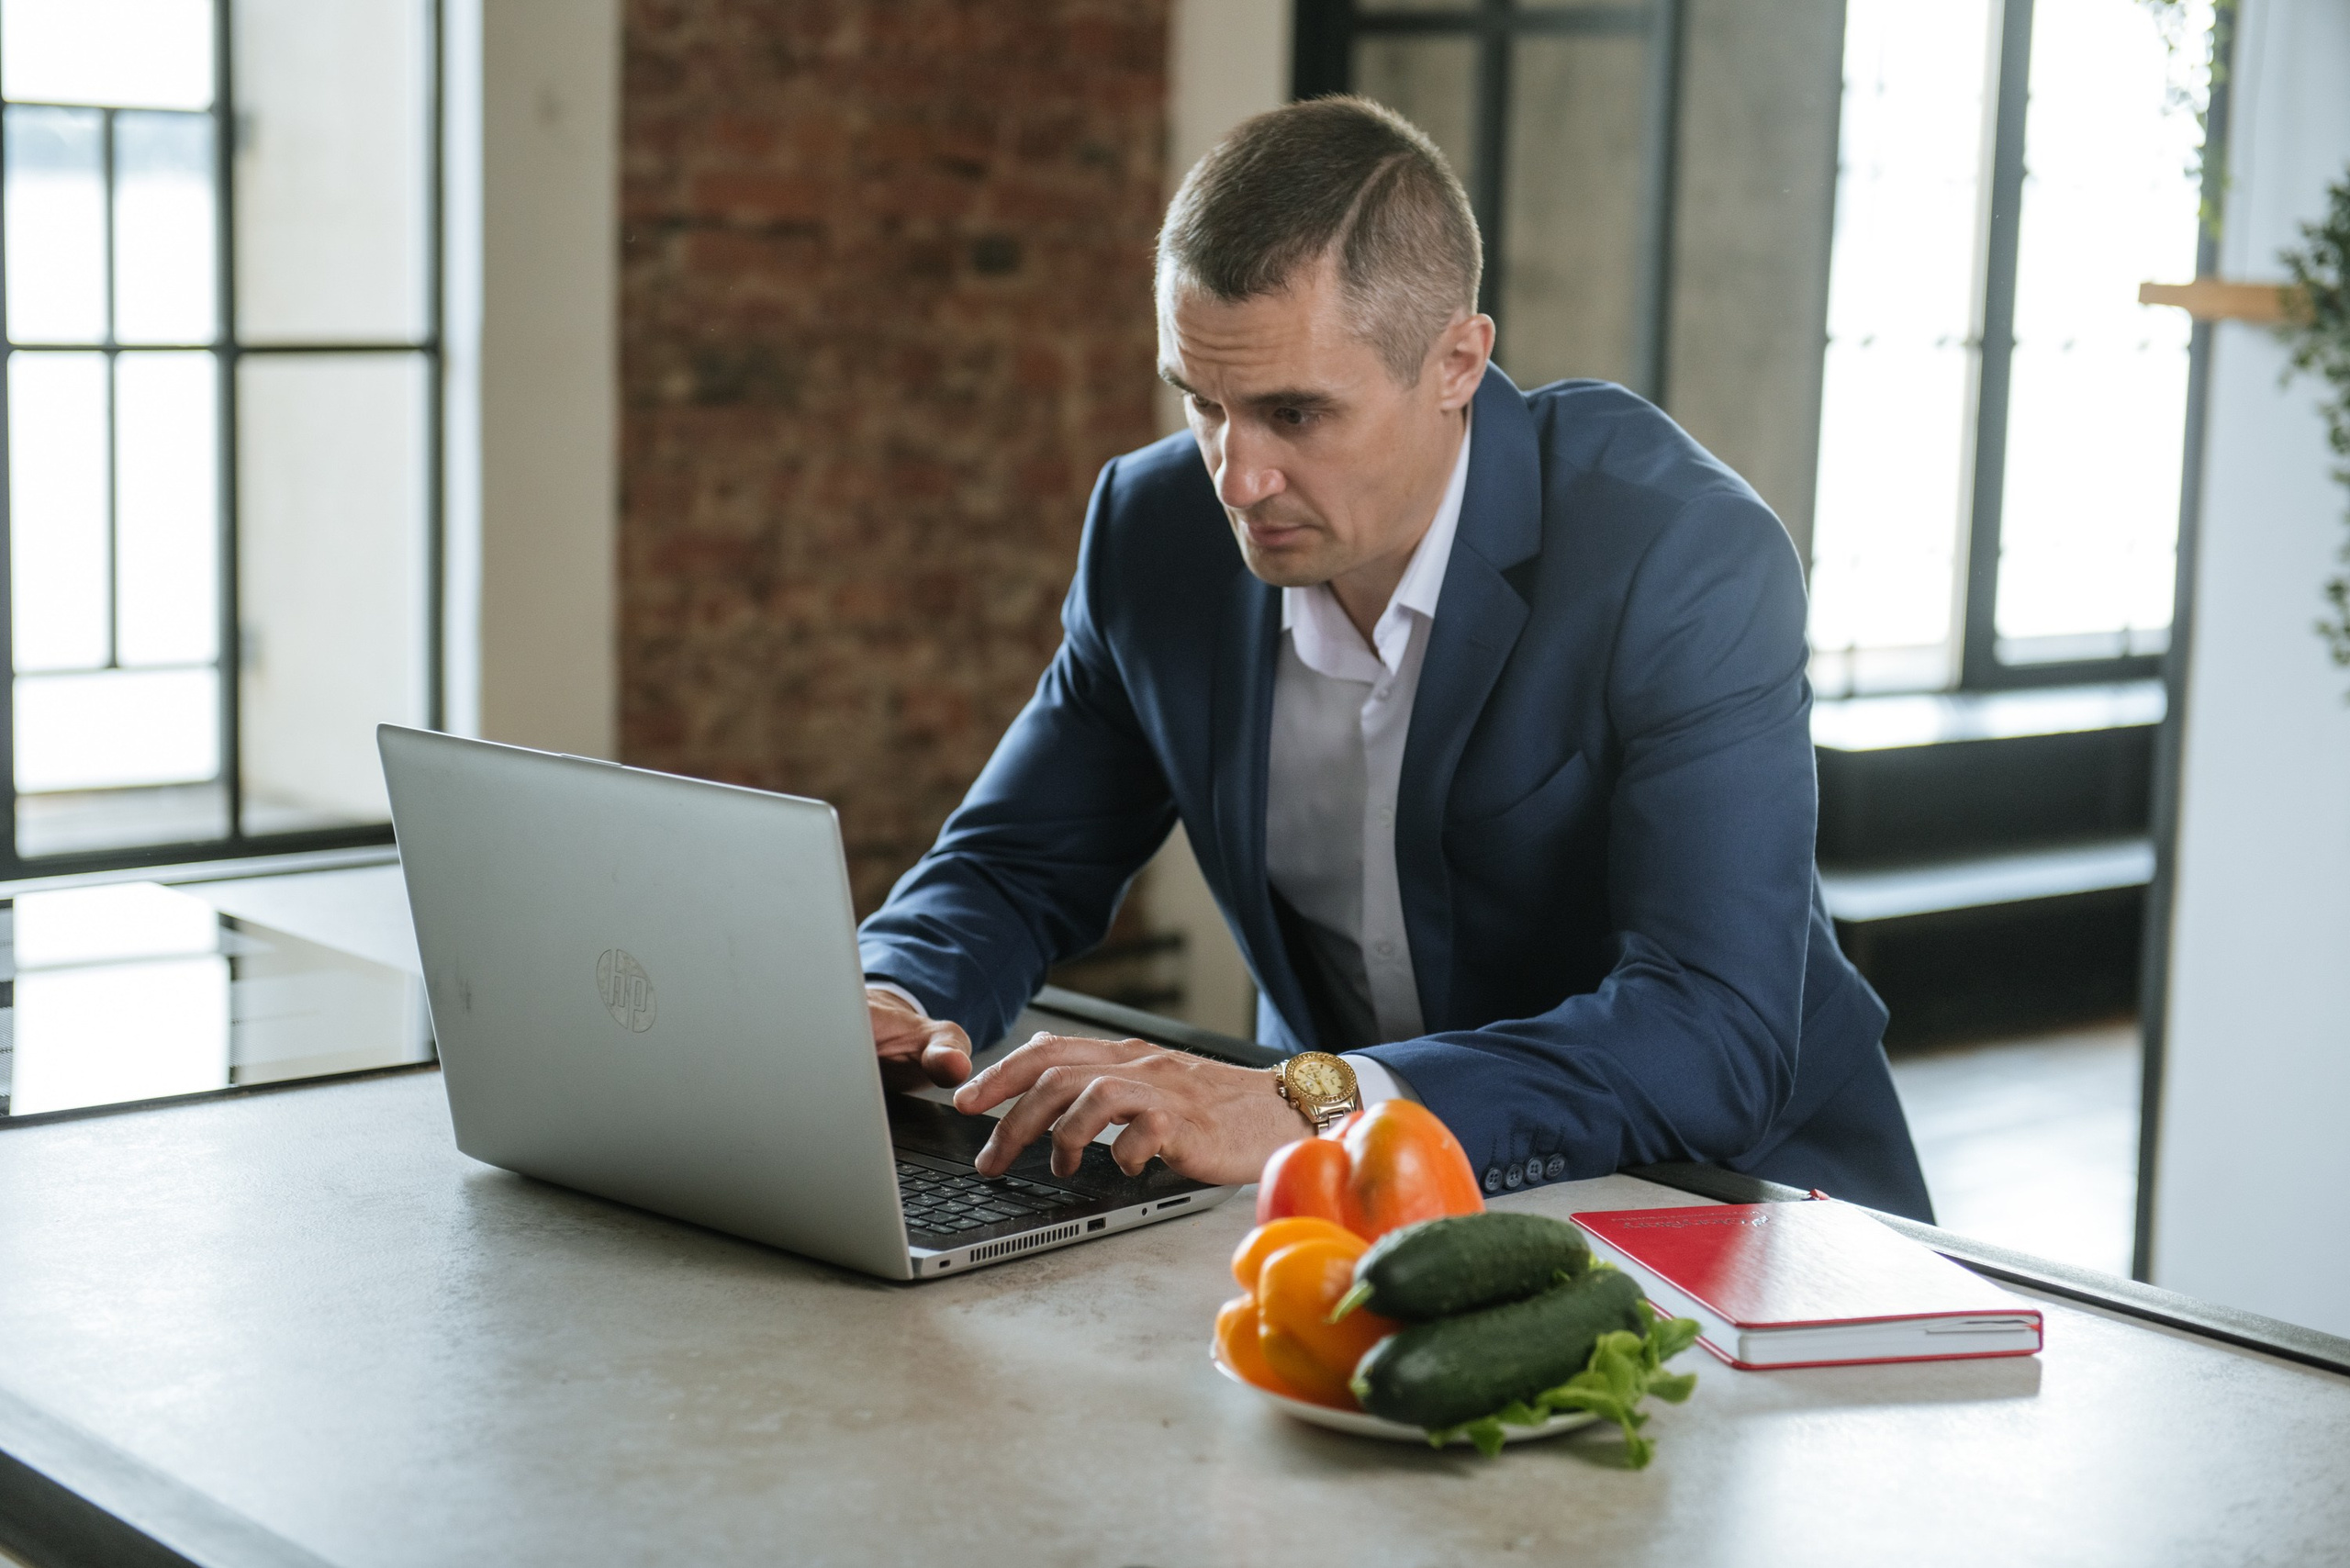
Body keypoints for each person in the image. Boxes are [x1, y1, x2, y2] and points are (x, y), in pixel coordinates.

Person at [856, 96, 1933, 1222]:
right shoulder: (1152, 529)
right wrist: (895, 993)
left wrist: (1311, 1101)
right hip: (1340, 1200)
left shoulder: (1678, 553)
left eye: (1293, 414)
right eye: (1204, 404)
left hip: (1735, 1201)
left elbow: (1710, 1031)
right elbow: (1016, 863)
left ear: (1458, 362)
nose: (1236, 477)